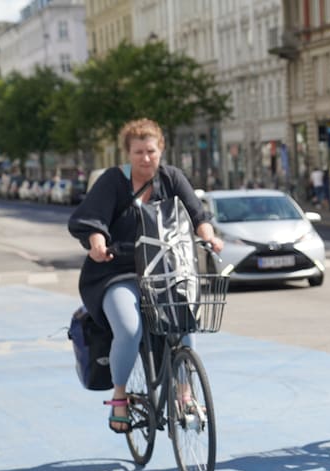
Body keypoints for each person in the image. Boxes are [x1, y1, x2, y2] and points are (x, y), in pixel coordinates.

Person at [68, 118, 223, 432]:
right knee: (128, 329)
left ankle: (184, 391)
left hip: (165, 271)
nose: (146, 158)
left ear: (161, 149)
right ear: (128, 153)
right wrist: (97, 243)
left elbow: (197, 215)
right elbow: (92, 219)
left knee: (184, 318)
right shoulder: (114, 181)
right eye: (138, 152)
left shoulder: (172, 178)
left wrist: (209, 236)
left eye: (151, 151)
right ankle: (120, 396)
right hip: (117, 272)